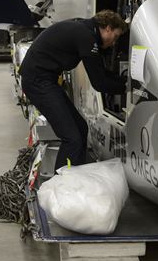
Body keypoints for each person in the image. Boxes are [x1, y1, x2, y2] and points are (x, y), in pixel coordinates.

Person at [19, 9, 127, 171]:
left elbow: (101, 72)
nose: (114, 42)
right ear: (108, 28)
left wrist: (121, 80)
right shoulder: (87, 37)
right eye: (115, 36)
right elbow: (99, 82)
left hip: (43, 79)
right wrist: (127, 87)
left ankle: (76, 176)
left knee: (81, 128)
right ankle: (62, 188)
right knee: (72, 138)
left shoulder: (85, 29)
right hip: (38, 82)